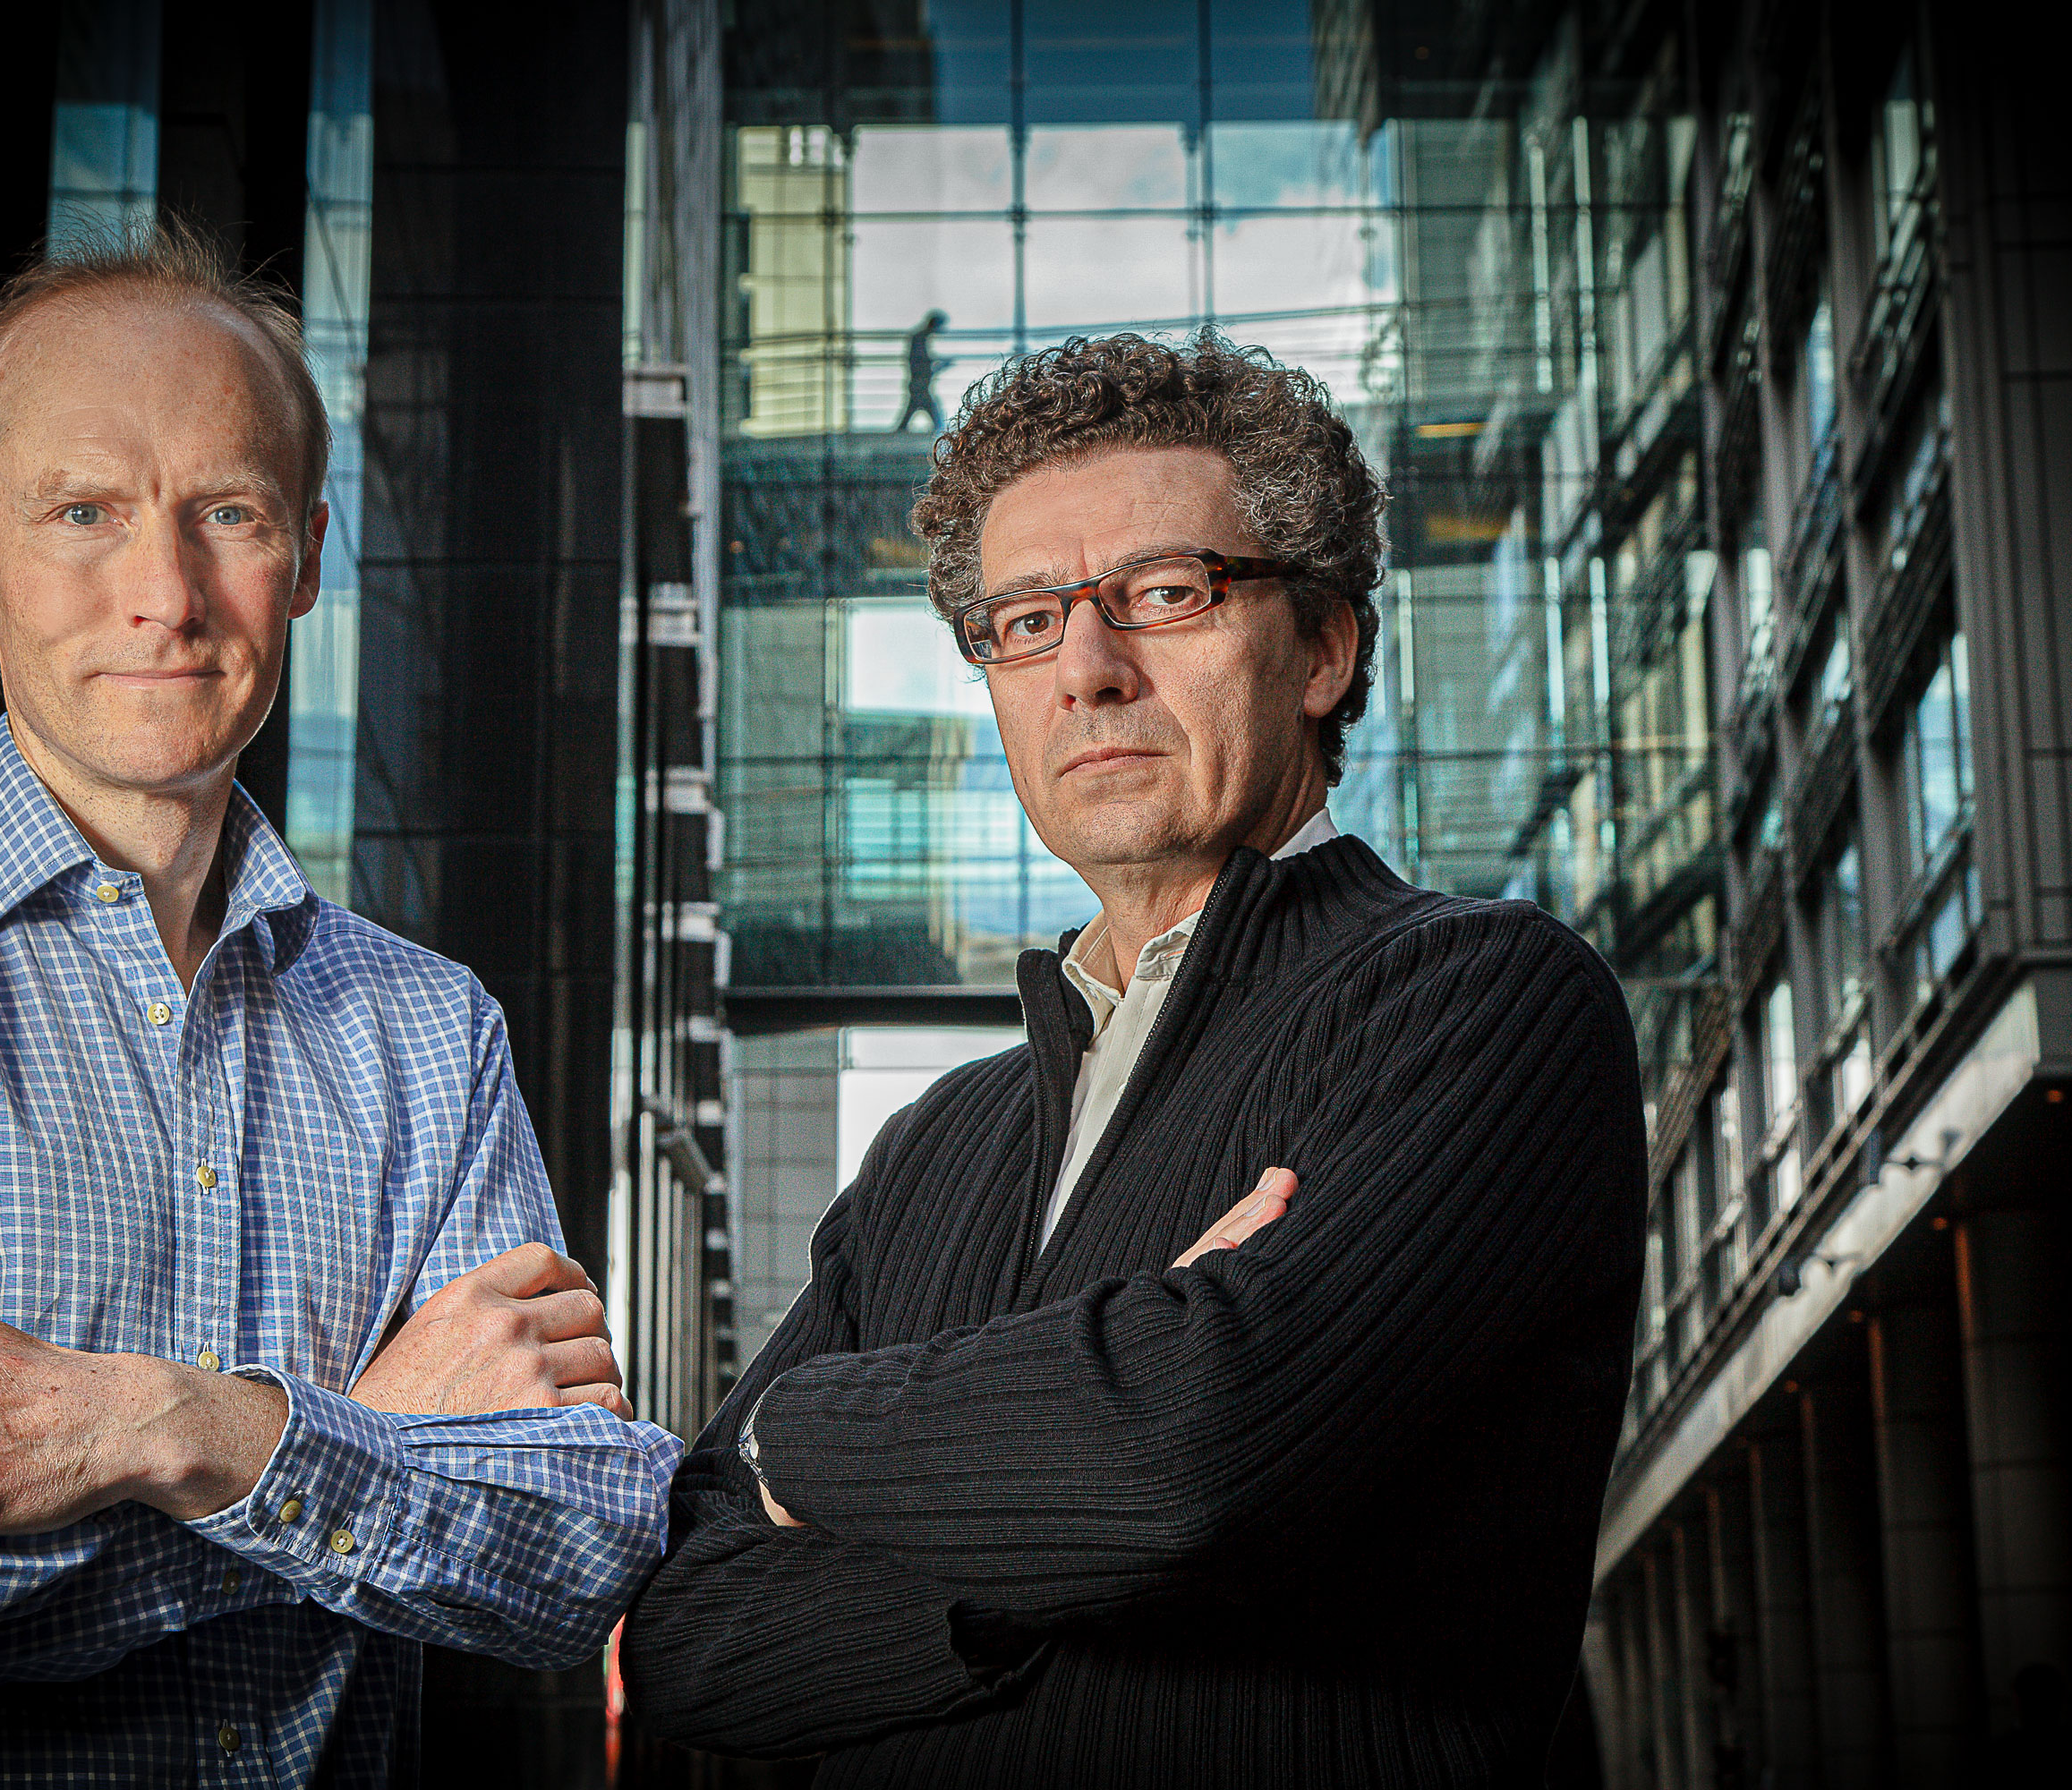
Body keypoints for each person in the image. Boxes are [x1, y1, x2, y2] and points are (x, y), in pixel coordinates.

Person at [0, 226, 679, 1787]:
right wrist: (337, 1442)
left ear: (303, 556)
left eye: (223, 514)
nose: (163, 594)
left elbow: (577, 1550)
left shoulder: (432, 1032)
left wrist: (166, 1431)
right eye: (84, 511)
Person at [621, 331, 1647, 1786]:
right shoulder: (933, 1147)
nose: (1088, 671)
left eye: (1167, 594)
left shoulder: (1482, 1005)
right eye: (1026, 621)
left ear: (1325, 648)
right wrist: (1063, 1479)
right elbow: (682, 1633)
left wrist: (796, 1432)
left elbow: (1182, 1461)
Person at [893, 310, 949, 433]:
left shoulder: (920, 337)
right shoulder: (920, 338)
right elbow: (921, 364)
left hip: (919, 383)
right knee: (933, 415)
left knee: (915, 412)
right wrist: (940, 366)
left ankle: (899, 432)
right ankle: (940, 433)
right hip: (919, 384)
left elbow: (923, 363)